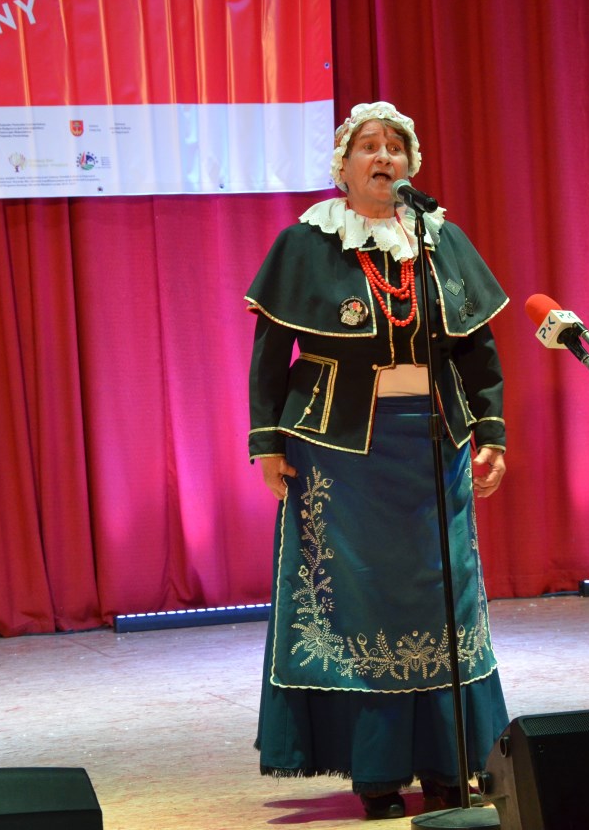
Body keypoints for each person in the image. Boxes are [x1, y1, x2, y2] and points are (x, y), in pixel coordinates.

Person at [245, 101, 510, 819]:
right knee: (361, 608)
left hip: (433, 445)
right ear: (344, 166)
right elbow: (270, 355)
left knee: (444, 601)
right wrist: (266, 442)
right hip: (339, 453)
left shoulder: (438, 239)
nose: (383, 156)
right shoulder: (305, 242)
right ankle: (378, 772)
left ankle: (451, 763)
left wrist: (491, 432)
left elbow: (477, 349)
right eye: (368, 145)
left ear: (410, 165)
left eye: (395, 146)